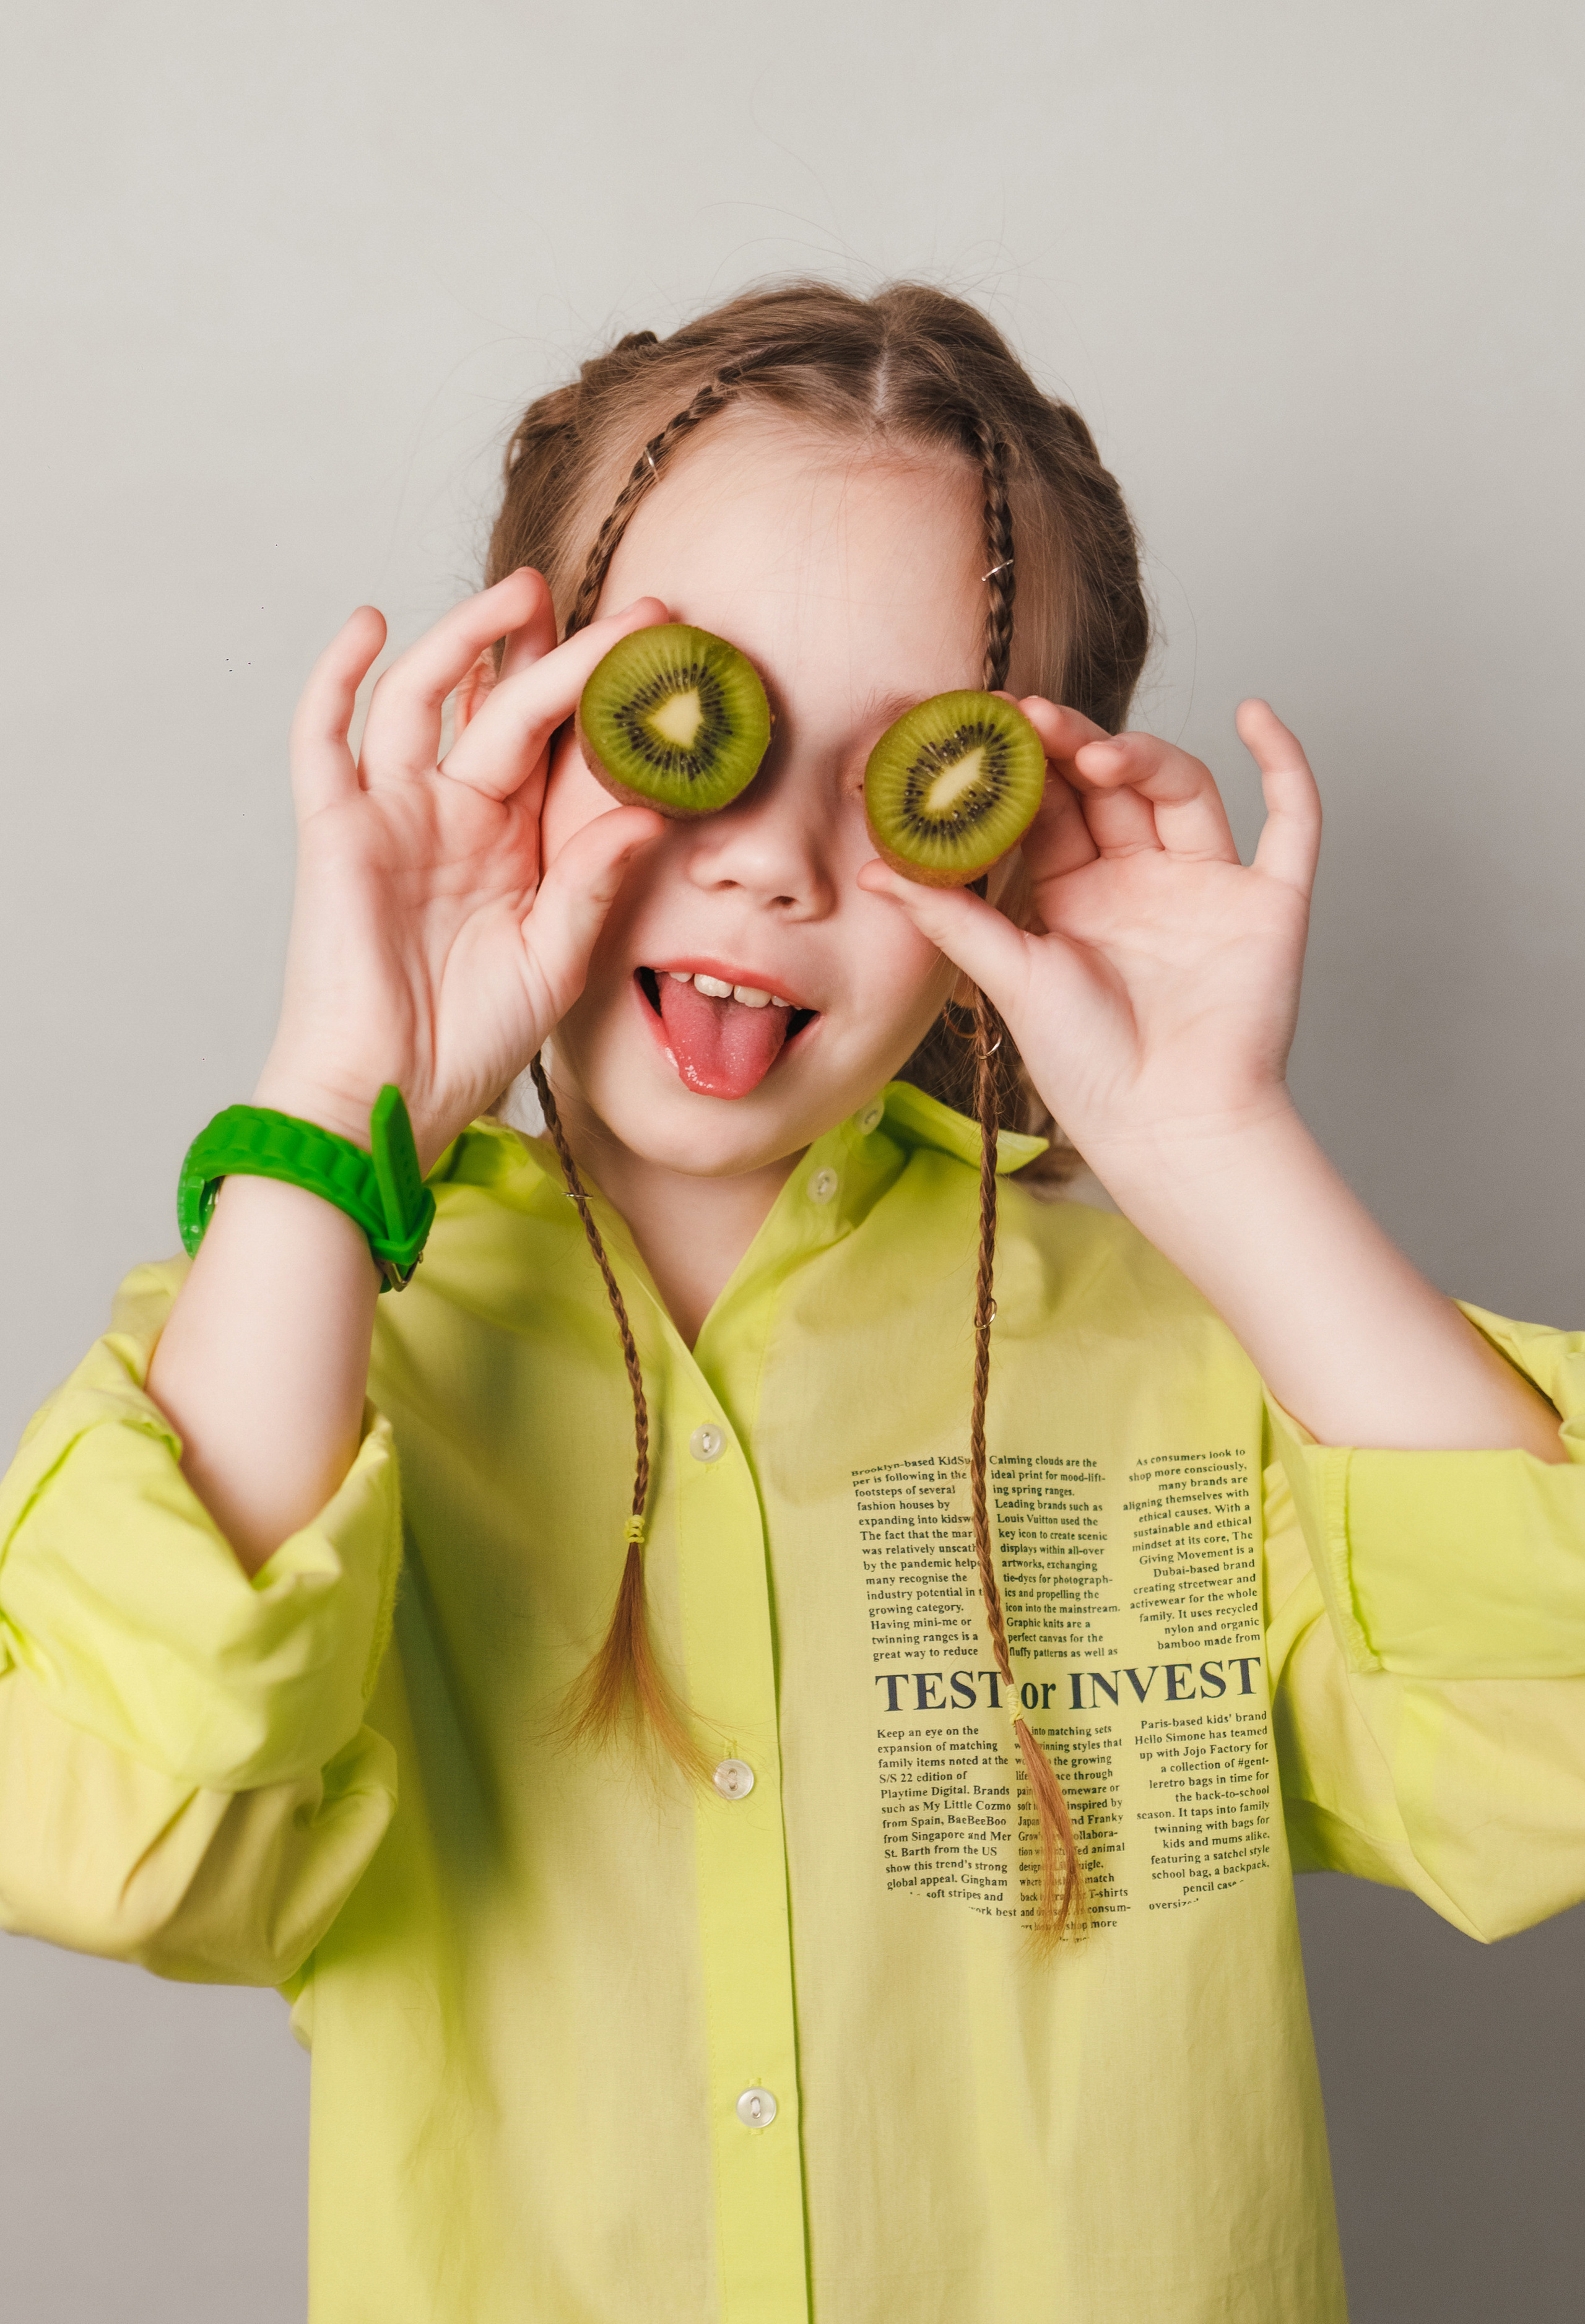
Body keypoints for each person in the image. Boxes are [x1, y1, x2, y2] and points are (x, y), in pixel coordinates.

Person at [1, 280, 1580, 2324]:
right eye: (697, 717)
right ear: (523, 705)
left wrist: (1219, 1159)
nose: (771, 864)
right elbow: (113, 1835)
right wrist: (336, 1093)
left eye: (910, 766)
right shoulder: (295, 1347)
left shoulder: (1197, 1358)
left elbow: (1545, 1743)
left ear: (1010, 845)